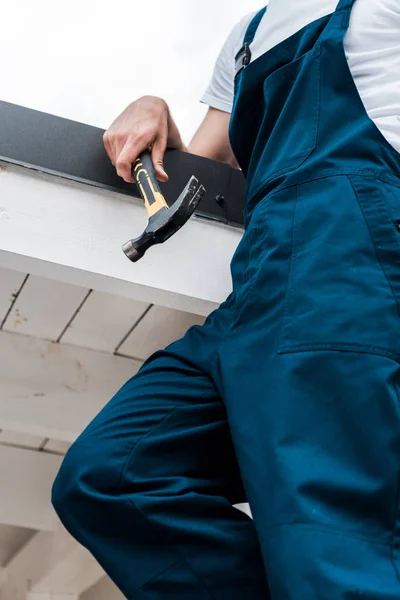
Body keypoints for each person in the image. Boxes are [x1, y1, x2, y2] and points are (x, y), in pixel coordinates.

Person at [51, 1, 400, 598]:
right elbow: (205, 162)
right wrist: (154, 110)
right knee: (112, 477)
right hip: (259, 285)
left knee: (324, 532)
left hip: (347, 266)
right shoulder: (249, 34)